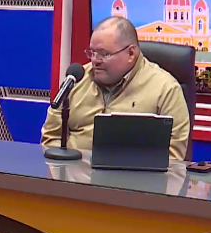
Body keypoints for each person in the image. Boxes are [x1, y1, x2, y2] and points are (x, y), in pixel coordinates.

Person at [41, 16, 190, 160]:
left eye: (104, 54)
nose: (95, 60)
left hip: (133, 176)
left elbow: (173, 157)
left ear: (131, 53)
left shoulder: (165, 89)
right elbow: (50, 139)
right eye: (92, 52)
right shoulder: (76, 80)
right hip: (74, 173)